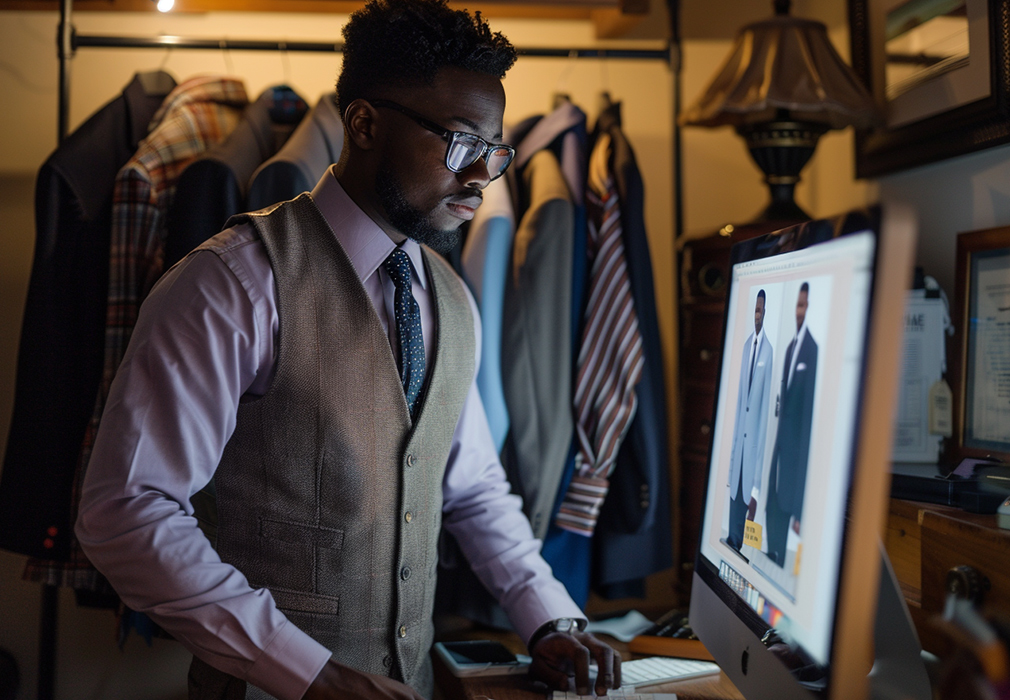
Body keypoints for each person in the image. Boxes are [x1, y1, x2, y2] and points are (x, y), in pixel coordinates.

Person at [74, 2, 622, 699]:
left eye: (496, 148)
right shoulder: (233, 283)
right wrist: (313, 675)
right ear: (363, 124)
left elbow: (472, 487)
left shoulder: (451, 298)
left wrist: (550, 622)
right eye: (460, 143)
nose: (483, 174)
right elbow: (127, 508)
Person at [765, 282, 817, 568]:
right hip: (777, 470)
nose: (800, 311)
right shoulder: (789, 349)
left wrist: (800, 506)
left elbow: (808, 426)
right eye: (798, 305)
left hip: (793, 477)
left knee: (783, 567)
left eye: (805, 305)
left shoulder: (814, 352)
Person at [725, 289, 773, 555]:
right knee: (734, 505)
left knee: (748, 507)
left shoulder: (769, 351)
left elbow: (764, 412)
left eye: (760, 310)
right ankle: (733, 545)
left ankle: (742, 548)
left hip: (753, 449)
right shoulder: (745, 347)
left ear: (765, 313)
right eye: (754, 309)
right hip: (739, 448)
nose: (757, 314)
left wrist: (757, 477)